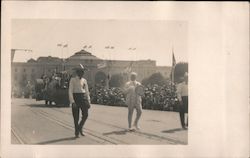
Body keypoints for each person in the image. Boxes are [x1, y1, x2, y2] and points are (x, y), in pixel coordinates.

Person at [68, 64, 91, 138]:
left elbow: (87, 91)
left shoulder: (84, 80)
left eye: (83, 71)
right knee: (76, 117)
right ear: (77, 72)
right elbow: (70, 91)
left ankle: (80, 127)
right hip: (76, 98)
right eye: (80, 71)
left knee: (86, 115)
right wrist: (72, 102)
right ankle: (76, 132)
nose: (82, 73)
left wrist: (88, 101)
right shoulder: (73, 79)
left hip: (83, 98)